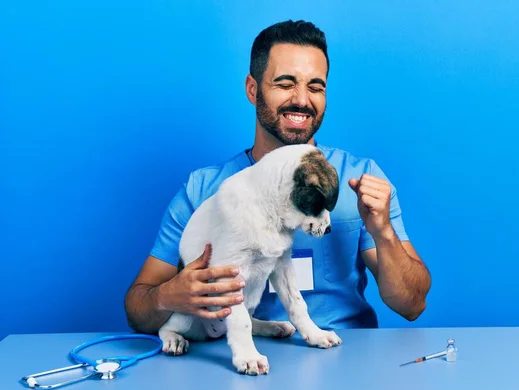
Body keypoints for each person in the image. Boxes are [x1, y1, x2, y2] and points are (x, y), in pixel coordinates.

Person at [124, 19, 431, 336]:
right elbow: (137, 310)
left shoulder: (358, 178)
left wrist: (383, 233)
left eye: (315, 87)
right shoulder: (203, 190)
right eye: (285, 84)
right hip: (234, 364)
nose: (301, 99)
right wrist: (168, 296)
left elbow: (412, 305)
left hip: (344, 356)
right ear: (252, 89)